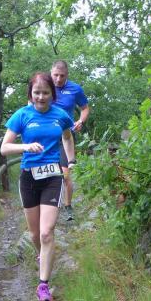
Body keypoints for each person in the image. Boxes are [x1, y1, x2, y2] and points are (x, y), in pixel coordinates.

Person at [1, 72, 75, 301]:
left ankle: (43, 286)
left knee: (46, 232)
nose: (41, 97)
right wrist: (26, 146)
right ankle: (41, 254)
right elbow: (4, 148)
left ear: (52, 94)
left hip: (53, 176)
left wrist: (71, 160)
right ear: (30, 94)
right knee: (34, 235)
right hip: (29, 178)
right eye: (37, 93)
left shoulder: (60, 115)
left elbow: (67, 137)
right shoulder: (21, 115)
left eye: (45, 93)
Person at [50, 60, 89, 221]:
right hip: (47, 136)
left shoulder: (75, 89)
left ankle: (68, 206)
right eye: (55, 75)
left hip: (66, 136)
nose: (58, 79)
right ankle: (48, 206)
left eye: (62, 76)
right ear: (51, 73)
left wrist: (80, 121)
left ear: (67, 75)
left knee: (65, 175)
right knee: (49, 173)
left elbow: (85, 108)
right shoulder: (45, 86)